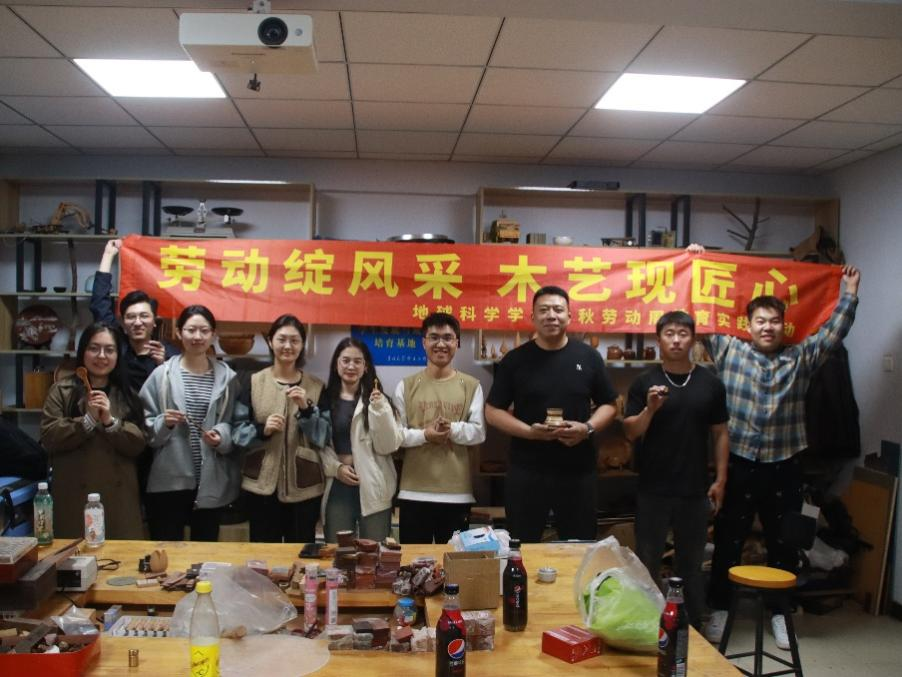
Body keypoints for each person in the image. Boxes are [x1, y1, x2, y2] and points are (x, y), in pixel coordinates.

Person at [687, 244, 861, 650]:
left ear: (785, 325)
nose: (767, 327)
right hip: (739, 462)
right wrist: (695, 262)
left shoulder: (802, 358)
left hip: (785, 463)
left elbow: (833, 332)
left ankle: (781, 613)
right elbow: (698, 311)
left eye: (775, 321)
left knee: (784, 542)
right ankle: (721, 607)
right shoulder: (728, 349)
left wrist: (849, 294)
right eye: (760, 321)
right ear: (748, 325)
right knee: (728, 539)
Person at [485, 285, 619, 543]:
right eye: (544, 310)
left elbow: (610, 405)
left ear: (569, 316)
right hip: (527, 470)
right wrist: (529, 433)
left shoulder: (589, 357)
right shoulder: (514, 360)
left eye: (558, 310)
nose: (551, 316)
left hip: (577, 470)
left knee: (579, 545)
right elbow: (492, 411)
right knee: (522, 545)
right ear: (532, 317)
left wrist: (587, 429)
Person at [623, 310, 729, 629]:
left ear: (693, 340)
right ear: (659, 340)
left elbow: (720, 433)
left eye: (683, 334)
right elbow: (631, 431)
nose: (676, 340)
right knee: (647, 560)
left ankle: (694, 623)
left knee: (691, 564)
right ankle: (646, 623)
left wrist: (721, 479)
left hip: (695, 489)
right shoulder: (644, 383)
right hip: (653, 489)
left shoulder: (710, 383)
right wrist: (650, 409)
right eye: (669, 334)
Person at [139, 305, 240, 542]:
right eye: (191, 330)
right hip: (169, 479)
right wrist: (164, 423)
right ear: (179, 332)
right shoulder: (161, 375)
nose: (197, 336)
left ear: (213, 334)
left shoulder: (227, 378)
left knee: (205, 551)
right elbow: (144, 428)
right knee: (167, 550)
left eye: (204, 331)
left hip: (212, 480)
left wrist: (221, 436)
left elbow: (236, 424)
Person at [40, 322, 146, 539]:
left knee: (121, 555)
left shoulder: (128, 395)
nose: (101, 356)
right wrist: (87, 421)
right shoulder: (62, 391)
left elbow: (139, 445)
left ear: (118, 355)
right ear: (83, 352)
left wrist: (110, 421)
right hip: (73, 496)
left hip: (119, 499)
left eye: (109, 350)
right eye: (94, 348)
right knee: (74, 554)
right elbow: (49, 437)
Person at [232, 315, 329, 543]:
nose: (288, 346)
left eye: (294, 340)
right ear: (270, 341)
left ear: (302, 345)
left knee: (300, 553)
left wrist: (306, 410)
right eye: (282, 339)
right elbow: (236, 432)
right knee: (264, 554)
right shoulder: (253, 382)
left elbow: (323, 436)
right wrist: (262, 430)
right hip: (261, 486)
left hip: (304, 486)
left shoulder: (316, 386)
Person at [394, 312, 486, 544]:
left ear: (457, 343)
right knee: (413, 561)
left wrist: (450, 429)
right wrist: (426, 435)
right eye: (434, 337)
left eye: (448, 337)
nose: (441, 344)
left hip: (457, 493)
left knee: (454, 561)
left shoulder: (471, 386)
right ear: (423, 342)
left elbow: (478, 433)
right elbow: (396, 436)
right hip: (413, 491)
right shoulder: (406, 386)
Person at [320, 337, 403, 543]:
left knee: (374, 551)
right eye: (345, 360)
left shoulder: (380, 400)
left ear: (366, 367)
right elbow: (318, 445)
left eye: (357, 361)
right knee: (338, 550)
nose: (351, 366)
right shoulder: (325, 400)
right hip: (337, 485)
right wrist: (336, 468)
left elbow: (388, 446)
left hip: (373, 486)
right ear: (336, 364)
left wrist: (380, 411)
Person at [90, 238, 178, 392]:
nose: (138, 322)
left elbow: (180, 393)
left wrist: (163, 365)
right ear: (123, 324)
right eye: (131, 317)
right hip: (118, 406)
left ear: (154, 321)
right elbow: (99, 304)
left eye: (144, 316)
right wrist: (108, 255)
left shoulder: (170, 353)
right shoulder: (117, 345)